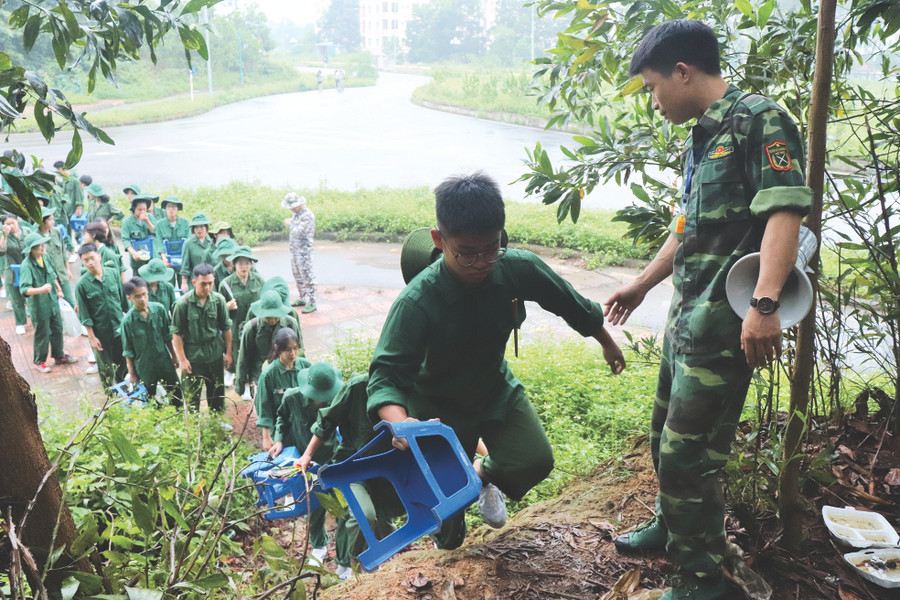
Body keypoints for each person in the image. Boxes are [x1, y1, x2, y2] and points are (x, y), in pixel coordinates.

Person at [603, 20, 813, 600]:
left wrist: (765, 305)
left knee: (688, 455)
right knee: (662, 436)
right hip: (686, 318)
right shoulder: (704, 135)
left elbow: (784, 213)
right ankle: (673, 527)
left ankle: (700, 579)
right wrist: (642, 285)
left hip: (727, 324)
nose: (654, 100)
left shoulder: (759, 120)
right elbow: (689, 226)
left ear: (683, 71)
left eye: (651, 87)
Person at [367, 172, 626, 550]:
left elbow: (569, 303)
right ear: (440, 240)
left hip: (493, 389)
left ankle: (483, 475)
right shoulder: (417, 302)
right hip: (437, 407)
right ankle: (448, 546)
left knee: (534, 460)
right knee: (449, 512)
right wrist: (402, 424)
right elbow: (386, 377)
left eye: (490, 249)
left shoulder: (517, 268)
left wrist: (606, 341)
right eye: (466, 253)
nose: (481, 262)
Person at [296, 372, 391, 581]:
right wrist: (308, 455)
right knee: (361, 516)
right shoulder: (358, 387)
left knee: (384, 524)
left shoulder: (407, 390)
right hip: (352, 466)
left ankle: (360, 561)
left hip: (388, 470)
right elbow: (327, 421)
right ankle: (351, 569)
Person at [269, 360, 340, 565]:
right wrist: (279, 438)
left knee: (340, 501)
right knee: (314, 503)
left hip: (331, 455)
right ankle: (319, 545)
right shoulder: (292, 398)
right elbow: (281, 418)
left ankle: (345, 556)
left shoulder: (337, 399)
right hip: (304, 459)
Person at [171, 263, 232, 412]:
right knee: (192, 397)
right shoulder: (183, 304)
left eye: (210, 283)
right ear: (194, 283)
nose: (207, 287)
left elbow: (226, 328)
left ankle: (217, 426)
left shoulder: (218, 301)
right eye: (203, 284)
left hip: (214, 353)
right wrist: (183, 359)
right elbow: (176, 333)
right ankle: (193, 430)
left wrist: (229, 353)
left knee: (217, 395)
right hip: (193, 356)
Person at [18, 231, 78, 373]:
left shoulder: (46, 258)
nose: (43, 247)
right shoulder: (26, 265)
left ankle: (59, 355)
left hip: (53, 302)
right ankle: (39, 361)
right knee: (42, 333)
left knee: (57, 329)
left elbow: (52, 275)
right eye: (39, 245)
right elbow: (24, 289)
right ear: (32, 248)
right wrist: (41, 289)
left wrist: (58, 289)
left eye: (43, 244)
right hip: (39, 306)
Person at [121, 277, 183, 407]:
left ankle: (180, 418)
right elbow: (128, 351)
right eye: (137, 296)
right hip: (145, 366)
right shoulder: (128, 322)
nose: (142, 299)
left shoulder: (159, 310)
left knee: (176, 393)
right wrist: (132, 373)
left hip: (164, 360)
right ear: (129, 299)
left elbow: (167, 337)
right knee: (150, 399)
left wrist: (174, 357)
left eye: (144, 294)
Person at [75, 243, 128, 387]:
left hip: (119, 328)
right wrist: (92, 337)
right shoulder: (82, 285)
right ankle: (110, 397)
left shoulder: (113, 274)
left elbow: (124, 302)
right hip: (100, 333)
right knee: (105, 368)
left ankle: (122, 387)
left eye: (92, 258)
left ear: (99, 256)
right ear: (82, 262)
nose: (90, 262)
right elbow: (84, 314)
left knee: (122, 363)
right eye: (86, 260)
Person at [237, 289, 304, 401]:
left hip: (285, 374)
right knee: (264, 410)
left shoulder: (290, 323)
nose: (272, 320)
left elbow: (300, 351)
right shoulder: (251, 328)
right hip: (260, 376)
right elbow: (243, 358)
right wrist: (240, 385)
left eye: (275, 316)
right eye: (268, 317)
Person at [255, 327, 310, 452]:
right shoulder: (269, 375)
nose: (292, 353)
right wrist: (266, 437)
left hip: (305, 427)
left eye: (295, 348)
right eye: (287, 350)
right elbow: (264, 408)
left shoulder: (306, 366)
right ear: (278, 349)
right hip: (281, 431)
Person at [220, 245, 264, 389]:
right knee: (236, 351)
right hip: (235, 324)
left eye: (247, 263)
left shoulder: (258, 280)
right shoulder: (226, 284)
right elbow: (218, 308)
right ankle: (231, 372)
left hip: (255, 323)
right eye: (240, 263)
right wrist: (227, 306)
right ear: (234, 264)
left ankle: (249, 382)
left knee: (253, 351)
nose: (244, 266)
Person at [282, 193, 317, 313]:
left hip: (304, 252)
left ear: (300, 204)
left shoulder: (308, 215)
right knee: (297, 275)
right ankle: (302, 298)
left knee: (307, 276)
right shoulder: (296, 214)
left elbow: (300, 232)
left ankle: (312, 302)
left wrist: (290, 224)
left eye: (293, 206)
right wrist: (291, 222)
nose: (291, 208)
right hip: (295, 251)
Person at [36, 206, 76, 308]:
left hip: (61, 273)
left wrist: (67, 269)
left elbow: (63, 252)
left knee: (70, 301)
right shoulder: (36, 237)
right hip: (47, 277)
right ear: (42, 221)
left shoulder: (56, 232)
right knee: (52, 305)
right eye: (50, 219)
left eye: (53, 219)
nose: (52, 221)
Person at [1, 213, 28, 335]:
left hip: (28, 269)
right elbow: (1, 251)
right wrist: (4, 236)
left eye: (12, 222)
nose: (11, 226)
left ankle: (33, 316)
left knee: (31, 295)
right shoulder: (3, 236)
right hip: (12, 271)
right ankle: (20, 323)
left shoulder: (27, 231)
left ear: (18, 220)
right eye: (7, 224)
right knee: (16, 299)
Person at [154, 196, 190, 287]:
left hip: (182, 260)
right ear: (165, 209)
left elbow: (188, 242)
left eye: (173, 207)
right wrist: (165, 259)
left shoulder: (185, 223)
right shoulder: (159, 225)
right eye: (168, 206)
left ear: (177, 209)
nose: (171, 209)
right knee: (168, 286)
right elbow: (159, 243)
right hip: (167, 260)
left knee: (185, 287)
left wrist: (185, 260)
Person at [120, 194, 157, 274]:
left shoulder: (150, 217)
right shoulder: (127, 222)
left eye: (144, 209)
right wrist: (133, 253)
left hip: (151, 254)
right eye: (139, 209)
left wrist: (147, 221)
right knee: (138, 281)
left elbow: (157, 231)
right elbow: (125, 240)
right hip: (136, 255)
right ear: (133, 209)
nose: (142, 212)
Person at [180, 213, 214, 293]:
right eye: (196, 227)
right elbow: (185, 265)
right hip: (195, 280)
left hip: (210, 280)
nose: (199, 230)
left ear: (206, 227)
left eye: (202, 226)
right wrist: (184, 283)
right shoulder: (188, 244)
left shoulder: (212, 242)